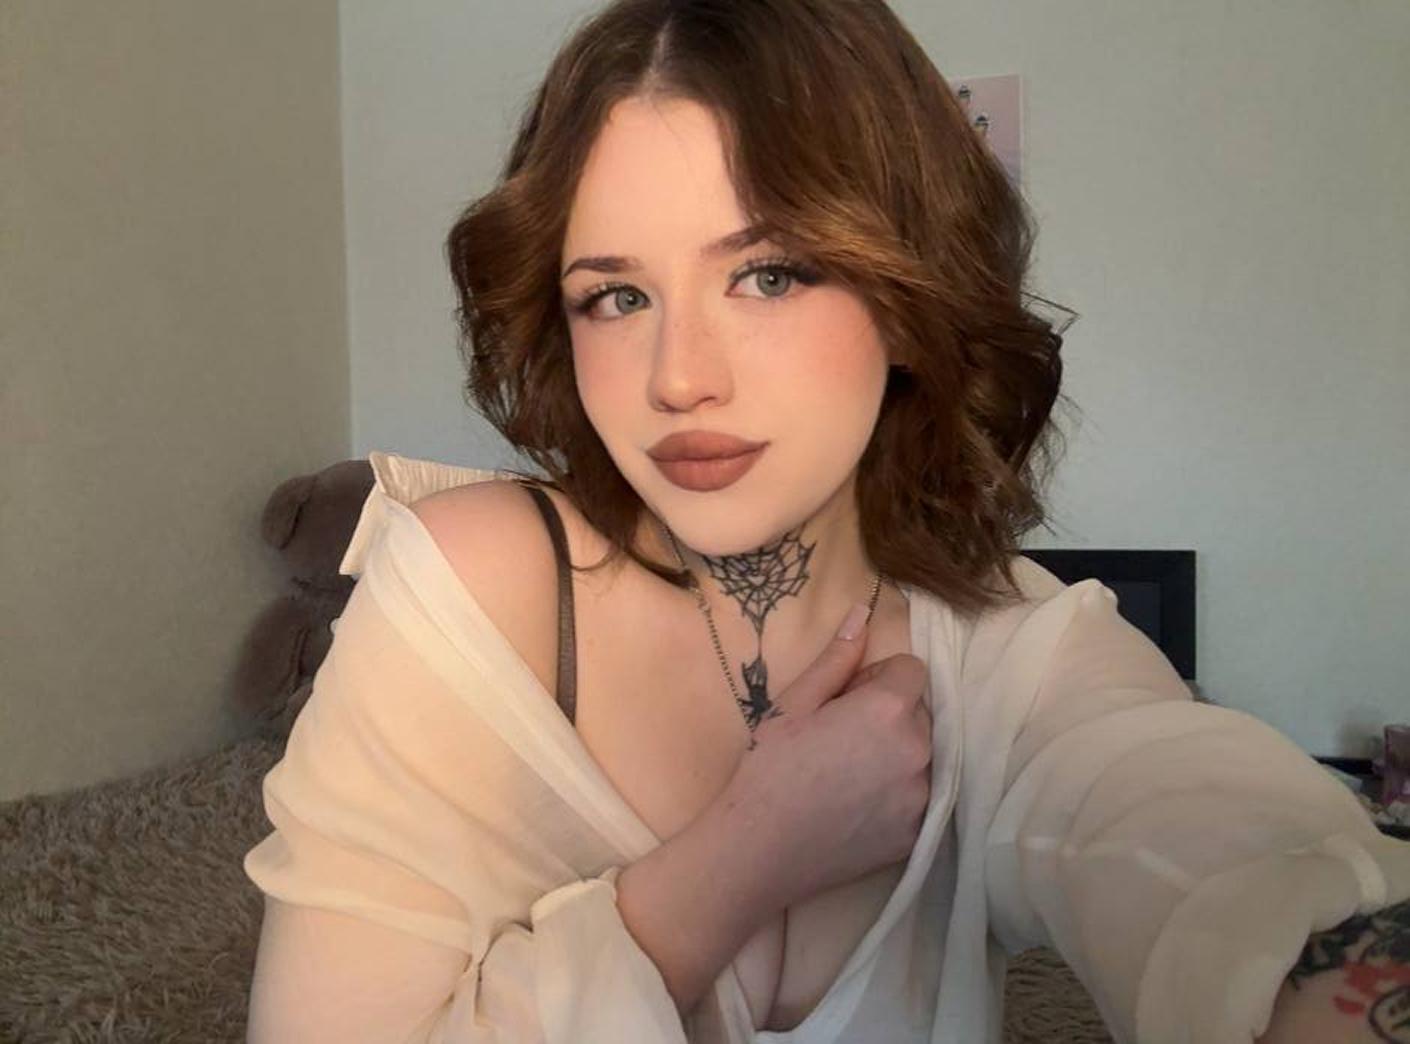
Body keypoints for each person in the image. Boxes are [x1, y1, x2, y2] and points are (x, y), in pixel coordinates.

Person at [242, 1, 1410, 1042]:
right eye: (617, 295)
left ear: (907, 298)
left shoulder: (1012, 653)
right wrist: (745, 855)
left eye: (769, 275)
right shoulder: (474, 587)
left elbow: (1216, 840)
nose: (678, 378)